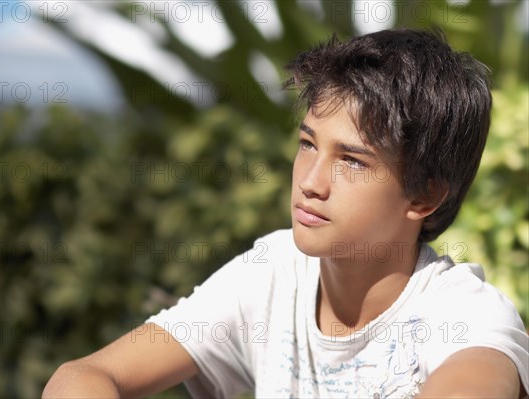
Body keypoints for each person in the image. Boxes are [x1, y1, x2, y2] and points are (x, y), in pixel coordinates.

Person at [42, 28, 528, 398]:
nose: (311, 182)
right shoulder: (272, 272)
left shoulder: (464, 313)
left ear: (424, 196)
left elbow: (478, 378)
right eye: (307, 144)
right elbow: (82, 376)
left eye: (352, 161)